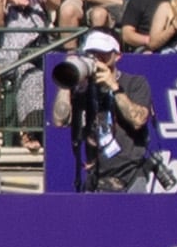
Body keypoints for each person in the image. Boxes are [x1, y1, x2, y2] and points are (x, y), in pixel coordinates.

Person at [49, 30, 153, 193]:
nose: (97, 58)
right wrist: (66, 82)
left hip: (129, 173)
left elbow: (138, 119)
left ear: (117, 55)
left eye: (103, 54)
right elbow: (59, 120)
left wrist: (114, 87)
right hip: (93, 175)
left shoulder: (134, 83)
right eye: (92, 54)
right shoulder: (81, 88)